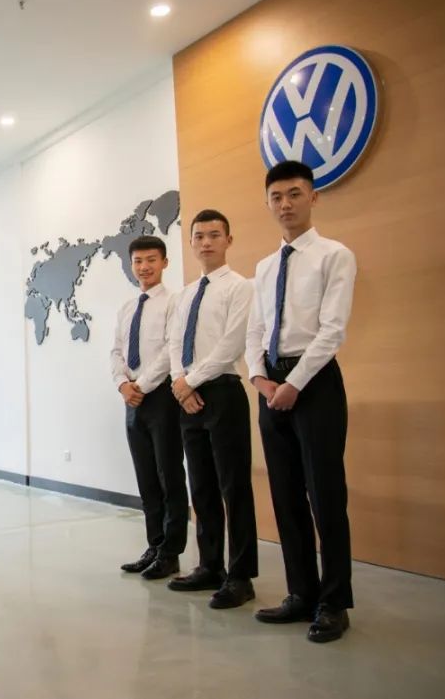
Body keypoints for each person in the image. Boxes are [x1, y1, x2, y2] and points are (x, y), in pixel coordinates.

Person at [246, 160, 357, 643]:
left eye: (294, 194)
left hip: (314, 384)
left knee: (325, 495)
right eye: (276, 197)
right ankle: (301, 594)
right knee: (285, 494)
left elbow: (332, 330)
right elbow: (255, 329)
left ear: (313, 197)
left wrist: (294, 383)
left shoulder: (335, 255)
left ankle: (334, 602)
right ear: (268, 204)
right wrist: (259, 378)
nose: (285, 204)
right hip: (270, 385)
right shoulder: (264, 267)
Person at [167, 209, 259, 608]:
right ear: (190, 242)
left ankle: (241, 576)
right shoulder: (185, 294)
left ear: (228, 241)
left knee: (233, 487)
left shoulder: (240, 287)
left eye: (214, 235)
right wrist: (180, 382)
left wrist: (191, 380)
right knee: (201, 486)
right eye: (199, 236)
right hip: (187, 396)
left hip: (222, 392)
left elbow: (232, 344)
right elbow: (174, 342)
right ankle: (209, 565)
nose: (206, 242)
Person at [111, 235, 188, 580]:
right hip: (132, 399)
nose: (144, 267)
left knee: (169, 474)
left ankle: (171, 552)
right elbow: (116, 351)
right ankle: (154, 545)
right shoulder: (127, 307)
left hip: (160, 397)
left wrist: (140, 385)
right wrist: (122, 384)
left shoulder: (174, 302)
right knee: (145, 476)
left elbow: (172, 350)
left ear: (164, 263)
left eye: (151, 260)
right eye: (138, 261)